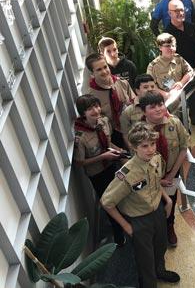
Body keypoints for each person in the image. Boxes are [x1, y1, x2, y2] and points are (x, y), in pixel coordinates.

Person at [101, 122, 180, 287]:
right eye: (145, 146)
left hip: (157, 210)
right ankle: (148, 284)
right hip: (139, 219)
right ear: (134, 147)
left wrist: (167, 199)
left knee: (160, 245)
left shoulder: (156, 158)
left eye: (152, 144)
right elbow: (106, 202)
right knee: (145, 258)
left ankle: (159, 270)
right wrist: (126, 226)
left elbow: (155, 182)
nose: (150, 149)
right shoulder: (127, 174)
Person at [73, 94, 126, 246]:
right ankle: (118, 233)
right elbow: (80, 162)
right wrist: (103, 157)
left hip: (111, 165)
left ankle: (124, 220)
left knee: (120, 194)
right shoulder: (80, 136)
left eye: (97, 106)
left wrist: (120, 151)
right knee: (108, 202)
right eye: (90, 109)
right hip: (97, 174)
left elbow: (108, 142)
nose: (96, 111)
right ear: (83, 113)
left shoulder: (103, 121)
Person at [140, 92, 190, 246]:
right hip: (149, 179)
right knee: (153, 206)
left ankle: (169, 226)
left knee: (171, 203)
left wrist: (172, 175)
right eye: (152, 107)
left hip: (170, 175)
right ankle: (156, 231)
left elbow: (183, 147)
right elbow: (138, 160)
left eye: (160, 104)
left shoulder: (174, 123)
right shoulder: (139, 131)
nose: (158, 109)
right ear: (143, 111)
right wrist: (157, 180)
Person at [165, 0, 195, 130]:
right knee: (179, 100)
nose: (180, 13)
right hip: (178, 75)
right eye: (176, 10)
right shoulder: (167, 33)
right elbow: (167, 56)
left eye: (181, 9)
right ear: (169, 13)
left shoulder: (191, 26)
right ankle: (183, 125)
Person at [85, 53, 135, 148]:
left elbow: (134, 102)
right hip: (113, 137)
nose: (104, 71)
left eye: (105, 67)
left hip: (132, 127)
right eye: (99, 69)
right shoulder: (91, 97)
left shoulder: (122, 83)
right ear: (92, 74)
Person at [146, 33, 193, 104]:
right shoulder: (153, 66)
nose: (171, 48)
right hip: (165, 102)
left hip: (183, 96)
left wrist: (181, 83)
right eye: (167, 46)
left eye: (173, 45)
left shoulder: (178, 58)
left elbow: (190, 71)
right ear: (160, 47)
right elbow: (150, 86)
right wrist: (166, 95)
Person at [120, 74, 157, 148]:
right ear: (137, 91)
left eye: (152, 86)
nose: (150, 89)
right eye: (145, 87)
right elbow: (126, 136)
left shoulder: (161, 107)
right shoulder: (128, 112)